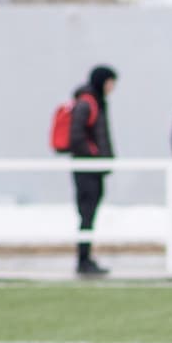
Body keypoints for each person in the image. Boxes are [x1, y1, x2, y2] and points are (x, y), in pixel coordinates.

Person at [68, 65, 117, 276]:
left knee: (89, 214)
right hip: (86, 169)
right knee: (86, 214)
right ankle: (83, 259)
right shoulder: (87, 103)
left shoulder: (96, 102)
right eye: (110, 82)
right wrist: (94, 157)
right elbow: (76, 137)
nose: (112, 87)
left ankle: (86, 257)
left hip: (94, 169)